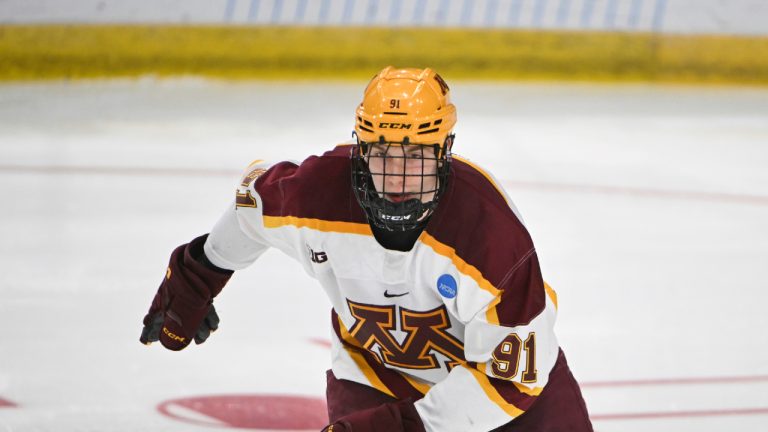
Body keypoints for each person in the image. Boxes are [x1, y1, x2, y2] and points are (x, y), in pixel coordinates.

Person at [140, 66, 593, 432]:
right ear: (361, 150)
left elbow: (510, 381)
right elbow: (251, 209)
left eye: (415, 156)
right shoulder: (316, 194)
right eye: (381, 154)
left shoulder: (490, 237)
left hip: (507, 397)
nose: (396, 178)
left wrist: (401, 428)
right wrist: (200, 270)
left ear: (443, 153)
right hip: (376, 374)